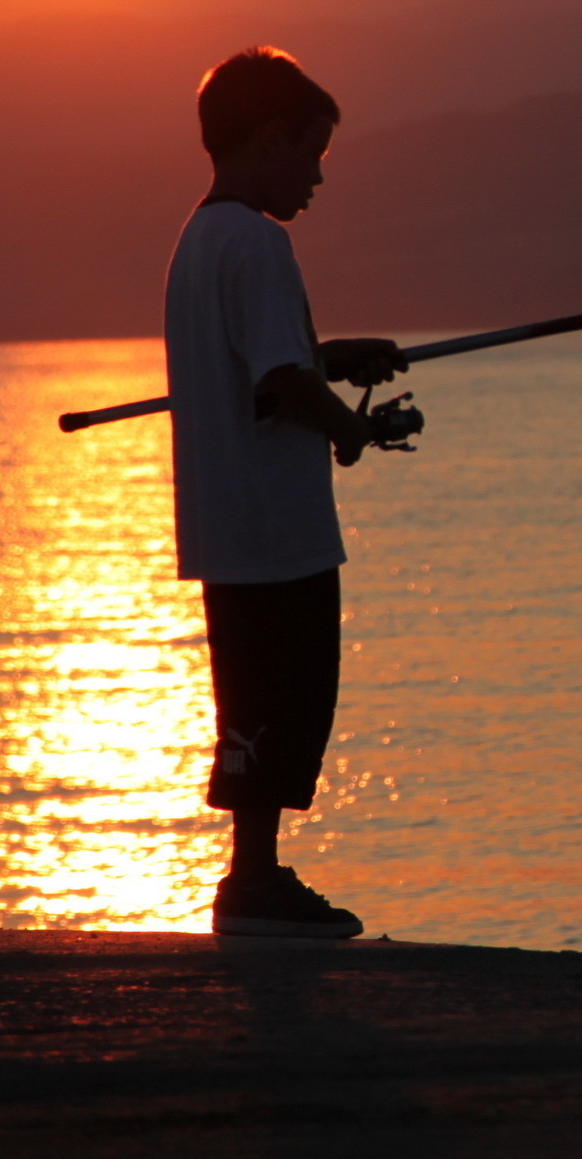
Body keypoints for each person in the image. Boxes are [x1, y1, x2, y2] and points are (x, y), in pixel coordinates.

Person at [165, 47, 403, 938]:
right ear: (270, 141)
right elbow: (283, 383)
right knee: (289, 700)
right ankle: (254, 883)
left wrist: (327, 360)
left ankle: (251, 875)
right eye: (312, 154)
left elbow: (263, 373)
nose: (315, 178)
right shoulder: (263, 242)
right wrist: (350, 428)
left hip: (226, 525)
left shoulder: (199, 239)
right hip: (277, 529)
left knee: (250, 706)